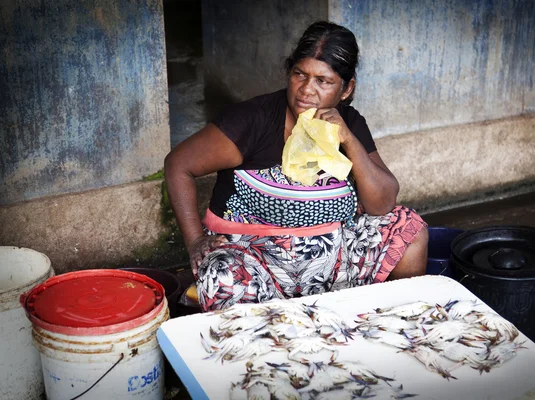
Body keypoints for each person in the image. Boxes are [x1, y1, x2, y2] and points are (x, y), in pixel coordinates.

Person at [164, 21, 429, 312]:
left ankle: (388, 325)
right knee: (221, 277)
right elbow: (179, 164)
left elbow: (383, 203)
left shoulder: (348, 122)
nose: (306, 90)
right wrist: (195, 241)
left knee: (409, 229)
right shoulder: (253, 120)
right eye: (299, 74)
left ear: (346, 88)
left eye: (322, 81)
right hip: (255, 258)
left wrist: (348, 141)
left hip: (331, 257)